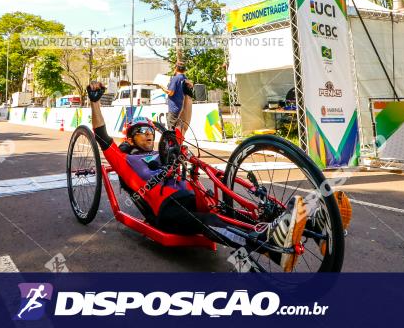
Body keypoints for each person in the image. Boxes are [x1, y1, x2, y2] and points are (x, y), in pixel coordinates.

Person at [86, 80, 309, 272]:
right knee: (210, 221)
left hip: (193, 197)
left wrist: (188, 96)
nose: (148, 135)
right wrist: (95, 101)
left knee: (230, 213)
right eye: (141, 132)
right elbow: (102, 136)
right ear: (130, 139)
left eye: (150, 132)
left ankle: (310, 225)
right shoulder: (125, 161)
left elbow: (182, 126)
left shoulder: (164, 150)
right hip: (167, 209)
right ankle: (270, 247)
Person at [164, 62, 189, 130]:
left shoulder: (175, 78)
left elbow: (171, 93)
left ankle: (173, 140)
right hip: (182, 107)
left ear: (176, 68)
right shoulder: (185, 78)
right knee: (178, 129)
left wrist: (162, 88)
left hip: (174, 108)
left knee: (171, 129)